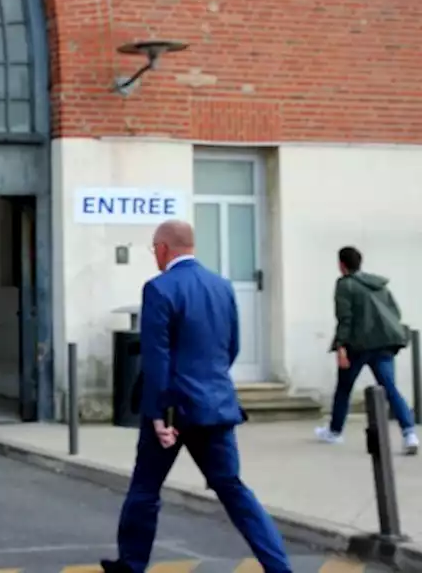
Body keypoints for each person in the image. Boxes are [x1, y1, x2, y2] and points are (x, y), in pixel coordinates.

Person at [101, 220, 290, 573]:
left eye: (154, 250)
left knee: (145, 489)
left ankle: (131, 564)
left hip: (173, 409)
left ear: (162, 249)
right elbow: (231, 347)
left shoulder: (159, 288)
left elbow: (157, 357)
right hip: (216, 406)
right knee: (233, 489)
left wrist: (158, 414)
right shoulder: (222, 287)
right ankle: (279, 567)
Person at [315, 246, 419, 454]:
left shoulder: (345, 285)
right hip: (384, 342)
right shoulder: (379, 285)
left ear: (341, 265)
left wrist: (341, 346)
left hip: (358, 346)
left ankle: (335, 432)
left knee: (344, 388)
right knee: (390, 388)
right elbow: (394, 311)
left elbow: (345, 318)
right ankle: (409, 433)